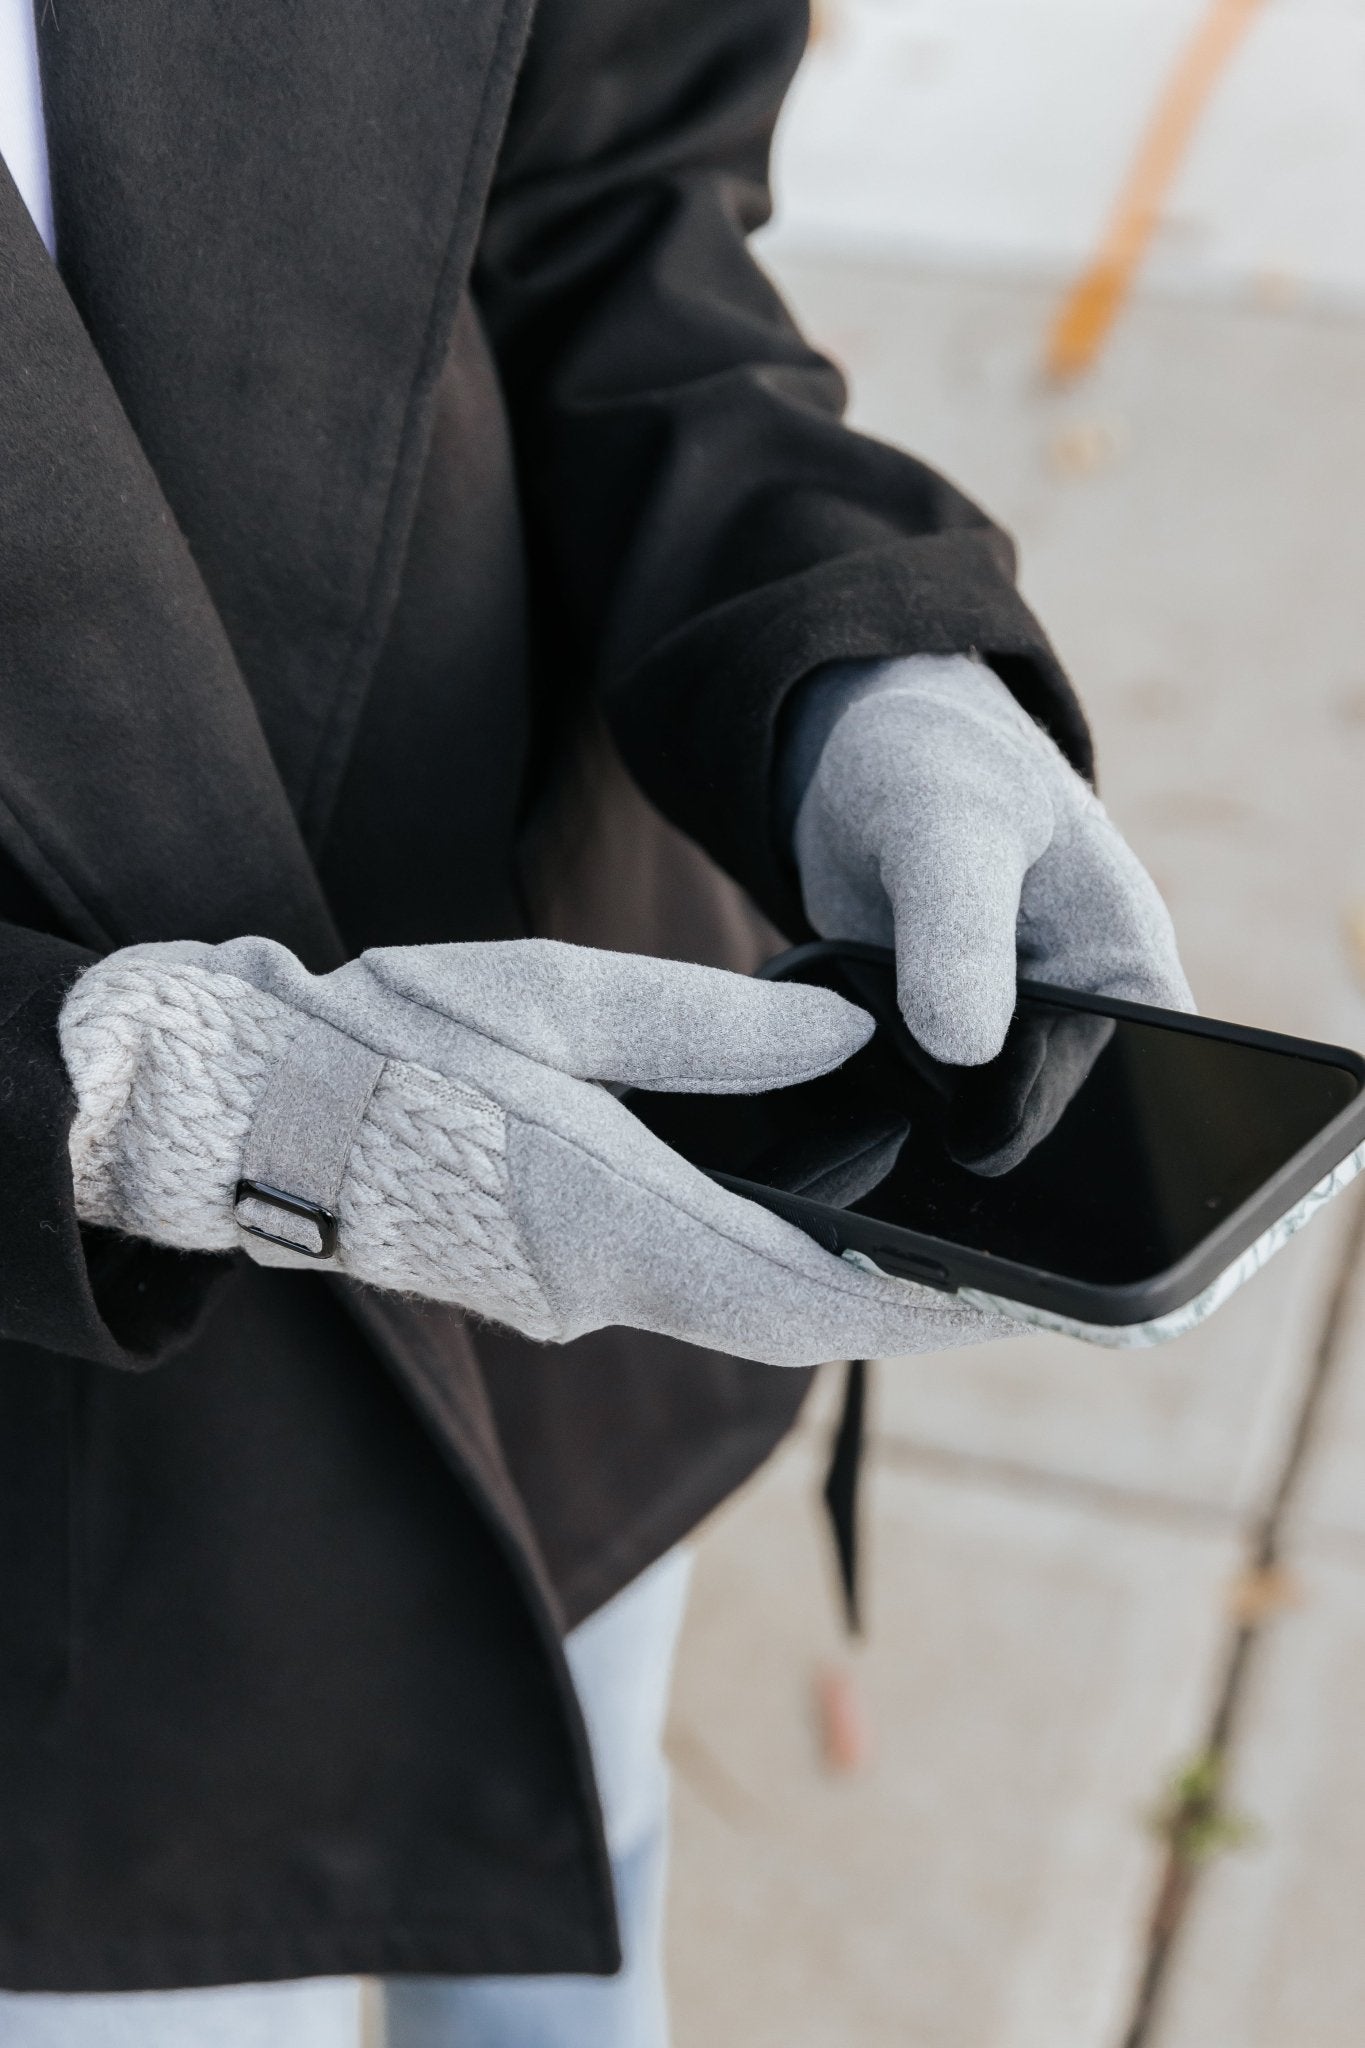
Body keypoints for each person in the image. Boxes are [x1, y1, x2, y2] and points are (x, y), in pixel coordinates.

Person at [0, 0, 1191, 2040]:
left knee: (580, 1877)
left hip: (575, 1245)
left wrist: (851, 659)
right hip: (69, 1558)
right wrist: (191, 1110)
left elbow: (604, 197)